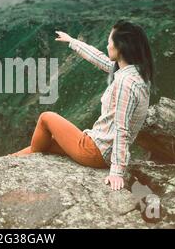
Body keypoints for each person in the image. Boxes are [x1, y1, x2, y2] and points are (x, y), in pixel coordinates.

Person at [9, 20, 154, 191]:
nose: (107, 46)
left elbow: (122, 129)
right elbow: (101, 60)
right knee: (48, 143)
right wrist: (73, 41)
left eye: (109, 42)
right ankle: (6, 161)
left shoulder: (125, 83)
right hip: (100, 149)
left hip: (96, 152)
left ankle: (10, 165)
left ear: (120, 47)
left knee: (46, 118)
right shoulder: (136, 74)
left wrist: (117, 172)